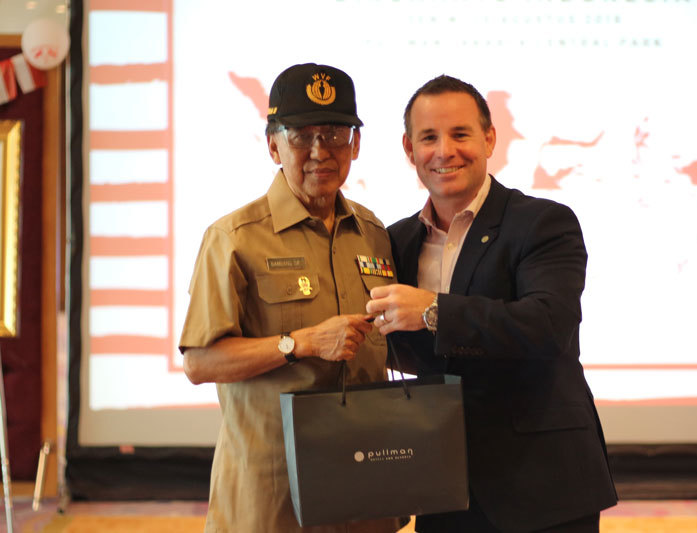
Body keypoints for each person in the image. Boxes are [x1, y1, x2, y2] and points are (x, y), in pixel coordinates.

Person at [366, 75, 618, 533]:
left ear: (489, 139)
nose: (445, 151)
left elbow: (547, 326)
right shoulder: (396, 241)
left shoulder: (544, 223)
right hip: (445, 487)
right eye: (429, 137)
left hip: (545, 488)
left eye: (460, 134)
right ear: (409, 149)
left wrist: (433, 310)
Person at [179, 63, 401, 533]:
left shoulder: (373, 233)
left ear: (356, 144)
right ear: (273, 145)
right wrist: (300, 343)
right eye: (302, 135)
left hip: (363, 490)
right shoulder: (233, 238)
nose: (320, 151)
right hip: (272, 498)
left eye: (335, 134)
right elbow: (199, 362)